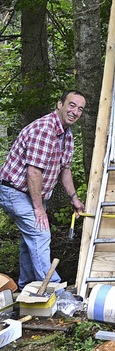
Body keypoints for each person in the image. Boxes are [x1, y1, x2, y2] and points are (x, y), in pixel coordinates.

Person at [0, 90, 86, 289]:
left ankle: (26, 288)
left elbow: (65, 170)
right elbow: (34, 173)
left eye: (80, 109)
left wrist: (74, 198)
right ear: (59, 104)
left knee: (29, 242)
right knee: (40, 234)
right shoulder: (44, 130)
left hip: (31, 193)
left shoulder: (66, 134)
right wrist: (39, 208)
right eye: (71, 105)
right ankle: (52, 289)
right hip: (14, 191)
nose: (75, 112)